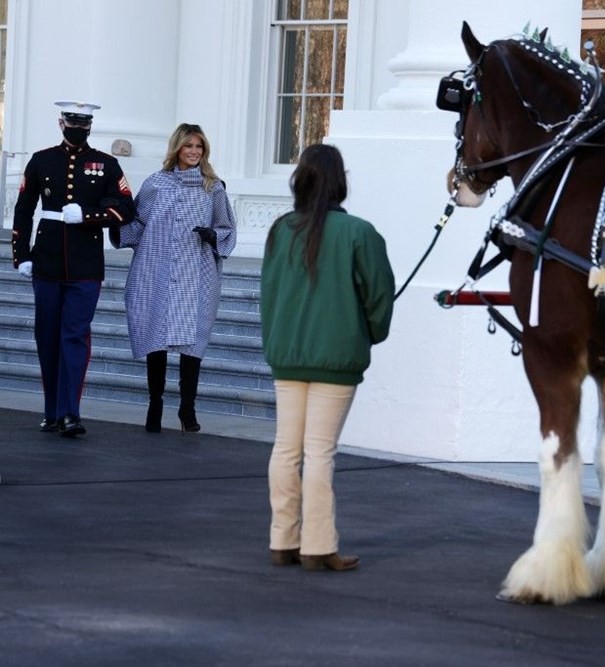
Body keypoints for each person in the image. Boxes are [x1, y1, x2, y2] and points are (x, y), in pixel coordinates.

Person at [260, 143, 394, 572]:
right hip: (337, 357)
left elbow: (268, 295)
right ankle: (318, 547)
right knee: (319, 452)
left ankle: (283, 540)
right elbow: (379, 296)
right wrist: (369, 334)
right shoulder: (360, 232)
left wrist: (276, 341)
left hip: (288, 354)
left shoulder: (280, 229)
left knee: (286, 449)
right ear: (340, 181)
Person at [11, 101, 136, 438]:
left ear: (90, 127)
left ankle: (70, 413)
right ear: (61, 122)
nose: (78, 128)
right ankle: (51, 411)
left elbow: (127, 208)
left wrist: (89, 215)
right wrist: (22, 256)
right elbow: (23, 211)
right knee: (47, 337)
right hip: (47, 260)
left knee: (74, 336)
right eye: (72, 122)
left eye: (84, 124)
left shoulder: (107, 164)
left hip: (84, 263)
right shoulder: (41, 160)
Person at [111, 123, 237, 433]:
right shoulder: (156, 183)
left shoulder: (213, 187)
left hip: (198, 273)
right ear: (177, 148)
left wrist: (212, 235)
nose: (194, 151)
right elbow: (139, 222)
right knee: (156, 338)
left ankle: (187, 409)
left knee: (191, 341)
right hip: (157, 270)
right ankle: (155, 405)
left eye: (199, 147)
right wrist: (113, 222)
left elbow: (227, 228)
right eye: (188, 146)